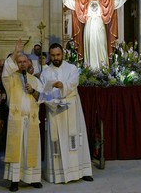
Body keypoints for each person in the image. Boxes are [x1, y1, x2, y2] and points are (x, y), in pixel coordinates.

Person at [39, 43, 93, 184]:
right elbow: (44, 93)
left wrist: (62, 86)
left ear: (62, 54)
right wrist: (53, 102)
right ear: (49, 55)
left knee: (74, 139)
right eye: (53, 55)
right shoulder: (45, 72)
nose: (56, 58)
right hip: (55, 110)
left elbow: (73, 83)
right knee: (56, 141)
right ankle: (58, 174)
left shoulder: (72, 68)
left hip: (71, 109)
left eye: (58, 55)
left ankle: (82, 171)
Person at [60, 0, 131, 69]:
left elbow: (115, 3)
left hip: (99, 26)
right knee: (90, 46)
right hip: (89, 26)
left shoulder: (105, 2)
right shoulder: (84, 2)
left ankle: (103, 69)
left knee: (101, 46)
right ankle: (90, 69)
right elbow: (74, 4)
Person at [2, 39, 43, 192]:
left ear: (29, 63)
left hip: (31, 120)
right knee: (16, 150)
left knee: (31, 150)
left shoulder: (35, 80)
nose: (22, 64)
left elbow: (42, 98)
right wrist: (15, 52)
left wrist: (33, 91)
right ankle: (14, 180)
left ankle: (32, 179)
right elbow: (6, 69)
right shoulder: (10, 79)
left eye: (24, 61)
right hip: (17, 120)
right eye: (19, 62)